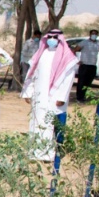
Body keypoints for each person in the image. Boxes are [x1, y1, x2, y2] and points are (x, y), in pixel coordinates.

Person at [22, 29, 79, 161]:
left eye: (55, 37)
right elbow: (32, 73)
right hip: (39, 96)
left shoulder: (66, 56)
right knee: (36, 122)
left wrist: (62, 97)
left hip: (54, 97)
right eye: (50, 37)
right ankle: (34, 152)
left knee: (50, 124)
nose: (52, 39)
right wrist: (28, 92)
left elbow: (68, 78)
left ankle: (48, 154)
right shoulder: (42, 53)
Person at [70, 30, 99, 103]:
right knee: (81, 82)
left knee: (88, 82)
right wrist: (76, 61)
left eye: (95, 34)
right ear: (90, 34)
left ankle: (83, 96)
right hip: (84, 65)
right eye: (92, 34)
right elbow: (74, 50)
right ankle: (79, 97)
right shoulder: (84, 42)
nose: (94, 35)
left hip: (92, 66)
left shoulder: (98, 43)